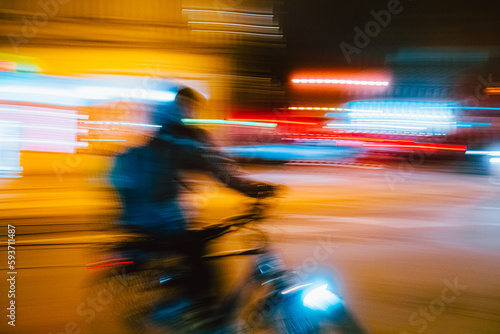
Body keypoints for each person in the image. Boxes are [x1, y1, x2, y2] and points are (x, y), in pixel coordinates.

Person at [109, 87, 276, 305]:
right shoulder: (184, 137)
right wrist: (253, 190)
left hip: (143, 215)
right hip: (159, 217)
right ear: (186, 105)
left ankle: (194, 299)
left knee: (199, 244)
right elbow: (217, 169)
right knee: (199, 253)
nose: (191, 111)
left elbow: (188, 166)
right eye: (191, 106)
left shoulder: (162, 135)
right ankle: (205, 314)